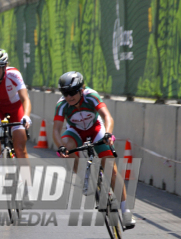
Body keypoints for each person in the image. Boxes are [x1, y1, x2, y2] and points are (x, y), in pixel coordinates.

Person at [52, 71, 136, 229]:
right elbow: (56, 130)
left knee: (111, 170)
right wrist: (61, 147)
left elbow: (107, 117)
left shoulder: (91, 96)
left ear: (81, 89)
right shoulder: (61, 104)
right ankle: (84, 175)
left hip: (95, 130)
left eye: (72, 93)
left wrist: (108, 134)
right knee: (67, 146)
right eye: (65, 93)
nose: (69, 97)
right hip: (75, 132)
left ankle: (126, 212)